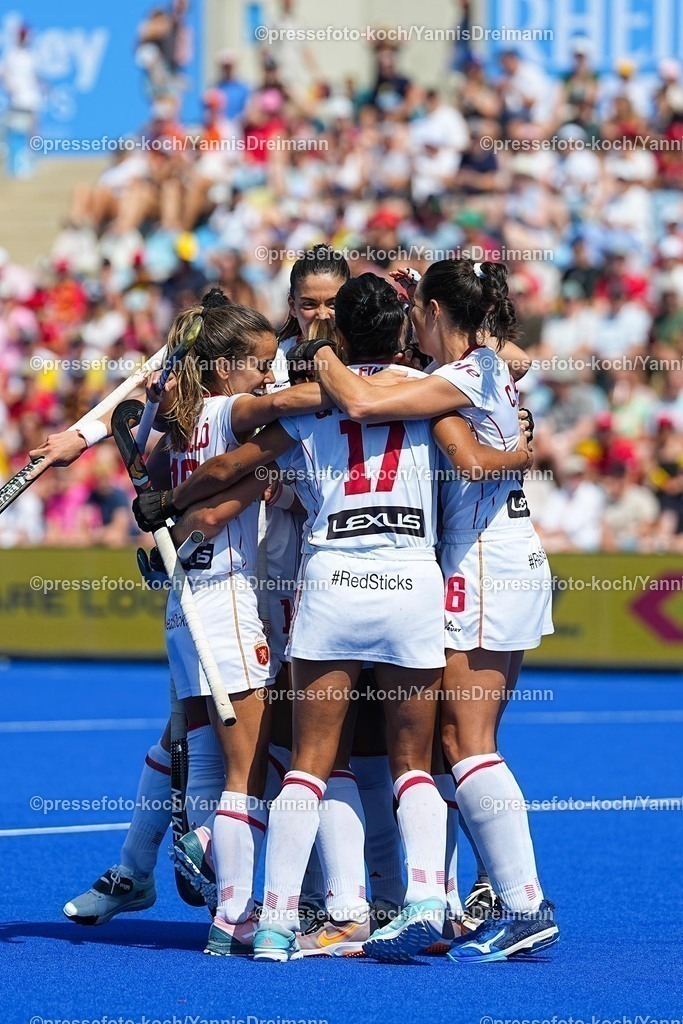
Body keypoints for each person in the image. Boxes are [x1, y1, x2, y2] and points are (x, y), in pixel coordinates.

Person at [306, 259, 559, 963]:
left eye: (419, 306)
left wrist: (322, 347)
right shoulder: (478, 367)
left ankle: (522, 902)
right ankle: (451, 897)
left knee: (463, 742)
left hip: (482, 561)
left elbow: (359, 405)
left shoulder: (463, 376)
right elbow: (514, 357)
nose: (411, 318)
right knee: (452, 743)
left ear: (440, 308)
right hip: (495, 557)